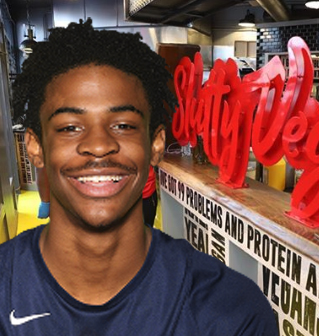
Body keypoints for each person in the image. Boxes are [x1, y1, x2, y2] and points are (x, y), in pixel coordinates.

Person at [0, 19, 278, 335]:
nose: (99, 145)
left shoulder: (231, 312)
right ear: (35, 147)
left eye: (123, 125)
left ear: (156, 145)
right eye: (69, 127)